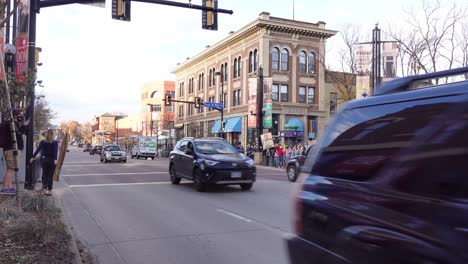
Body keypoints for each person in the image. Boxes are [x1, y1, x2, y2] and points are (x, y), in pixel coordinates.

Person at [1, 109, 30, 194]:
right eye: (20, 115)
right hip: (12, 150)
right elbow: (18, 134)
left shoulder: (11, 123)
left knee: (9, 169)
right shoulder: (12, 124)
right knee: (11, 169)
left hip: (9, 149)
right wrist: (24, 125)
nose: (22, 117)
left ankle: (8, 187)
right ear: (15, 116)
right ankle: (5, 189)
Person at [30, 129, 58, 195]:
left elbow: (38, 150)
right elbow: (55, 151)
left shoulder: (42, 142)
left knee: (45, 174)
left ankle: (44, 189)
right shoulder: (55, 142)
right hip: (52, 161)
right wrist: (55, 159)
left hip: (44, 160)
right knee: (50, 175)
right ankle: (50, 190)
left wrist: (33, 157)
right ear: (53, 135)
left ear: (46, 134)